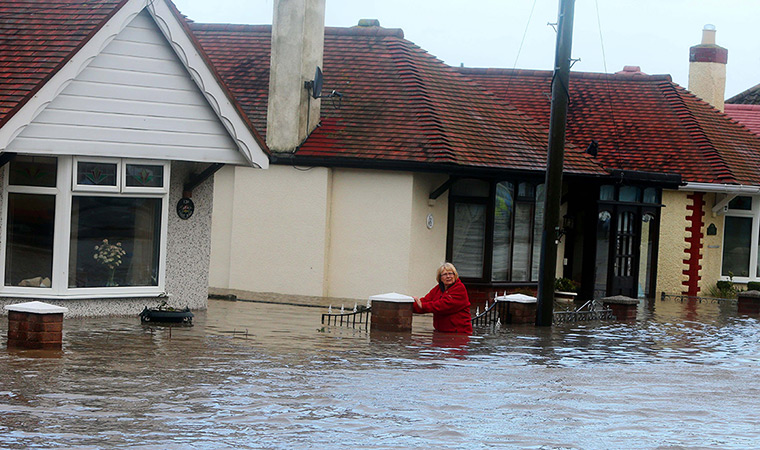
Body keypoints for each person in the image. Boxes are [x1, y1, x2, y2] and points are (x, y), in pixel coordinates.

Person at [413, 263, 472, 334]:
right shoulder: (438, 289)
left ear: (455, 275)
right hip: (441, 331)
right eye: (445, 274)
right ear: (440, 277)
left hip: (458, 332)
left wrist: (423, 305)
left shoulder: (459, 289)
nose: (448, 276)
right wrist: (409, 305)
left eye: (450, 273)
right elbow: (426, 300)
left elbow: (443, 306)